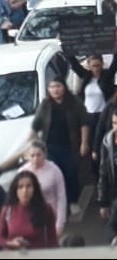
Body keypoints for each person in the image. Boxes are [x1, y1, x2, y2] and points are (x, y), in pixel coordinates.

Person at [29, 76, 89, 215]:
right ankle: (55, 203)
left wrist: (84, 143)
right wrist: (30, 145)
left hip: (70, 145)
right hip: (50, 146)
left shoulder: (74, 102)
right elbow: (35, 125)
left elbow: (84, 123)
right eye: (52, 87)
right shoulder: (45, 104)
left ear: (64, 87)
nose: (55, 90)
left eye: (58, 86)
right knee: (54, 174)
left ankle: (73, 201)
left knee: (71, 174)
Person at [19, 141, 67, 236]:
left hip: (50, 215)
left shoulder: (54, 170)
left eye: (38, 155)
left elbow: (61, 197)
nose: (36, 158)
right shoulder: (22, 172)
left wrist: (60, 223)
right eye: (32, 156)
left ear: (44, 154)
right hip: (30, 216)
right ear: (27, 156)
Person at [0, 171, 58, 249]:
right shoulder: (7, 210)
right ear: (15, 190)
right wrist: (11, 243)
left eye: (28, 186)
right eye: (20, 187)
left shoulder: (46, 209)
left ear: (35, 188)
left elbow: (52, 240)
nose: (25, 191)